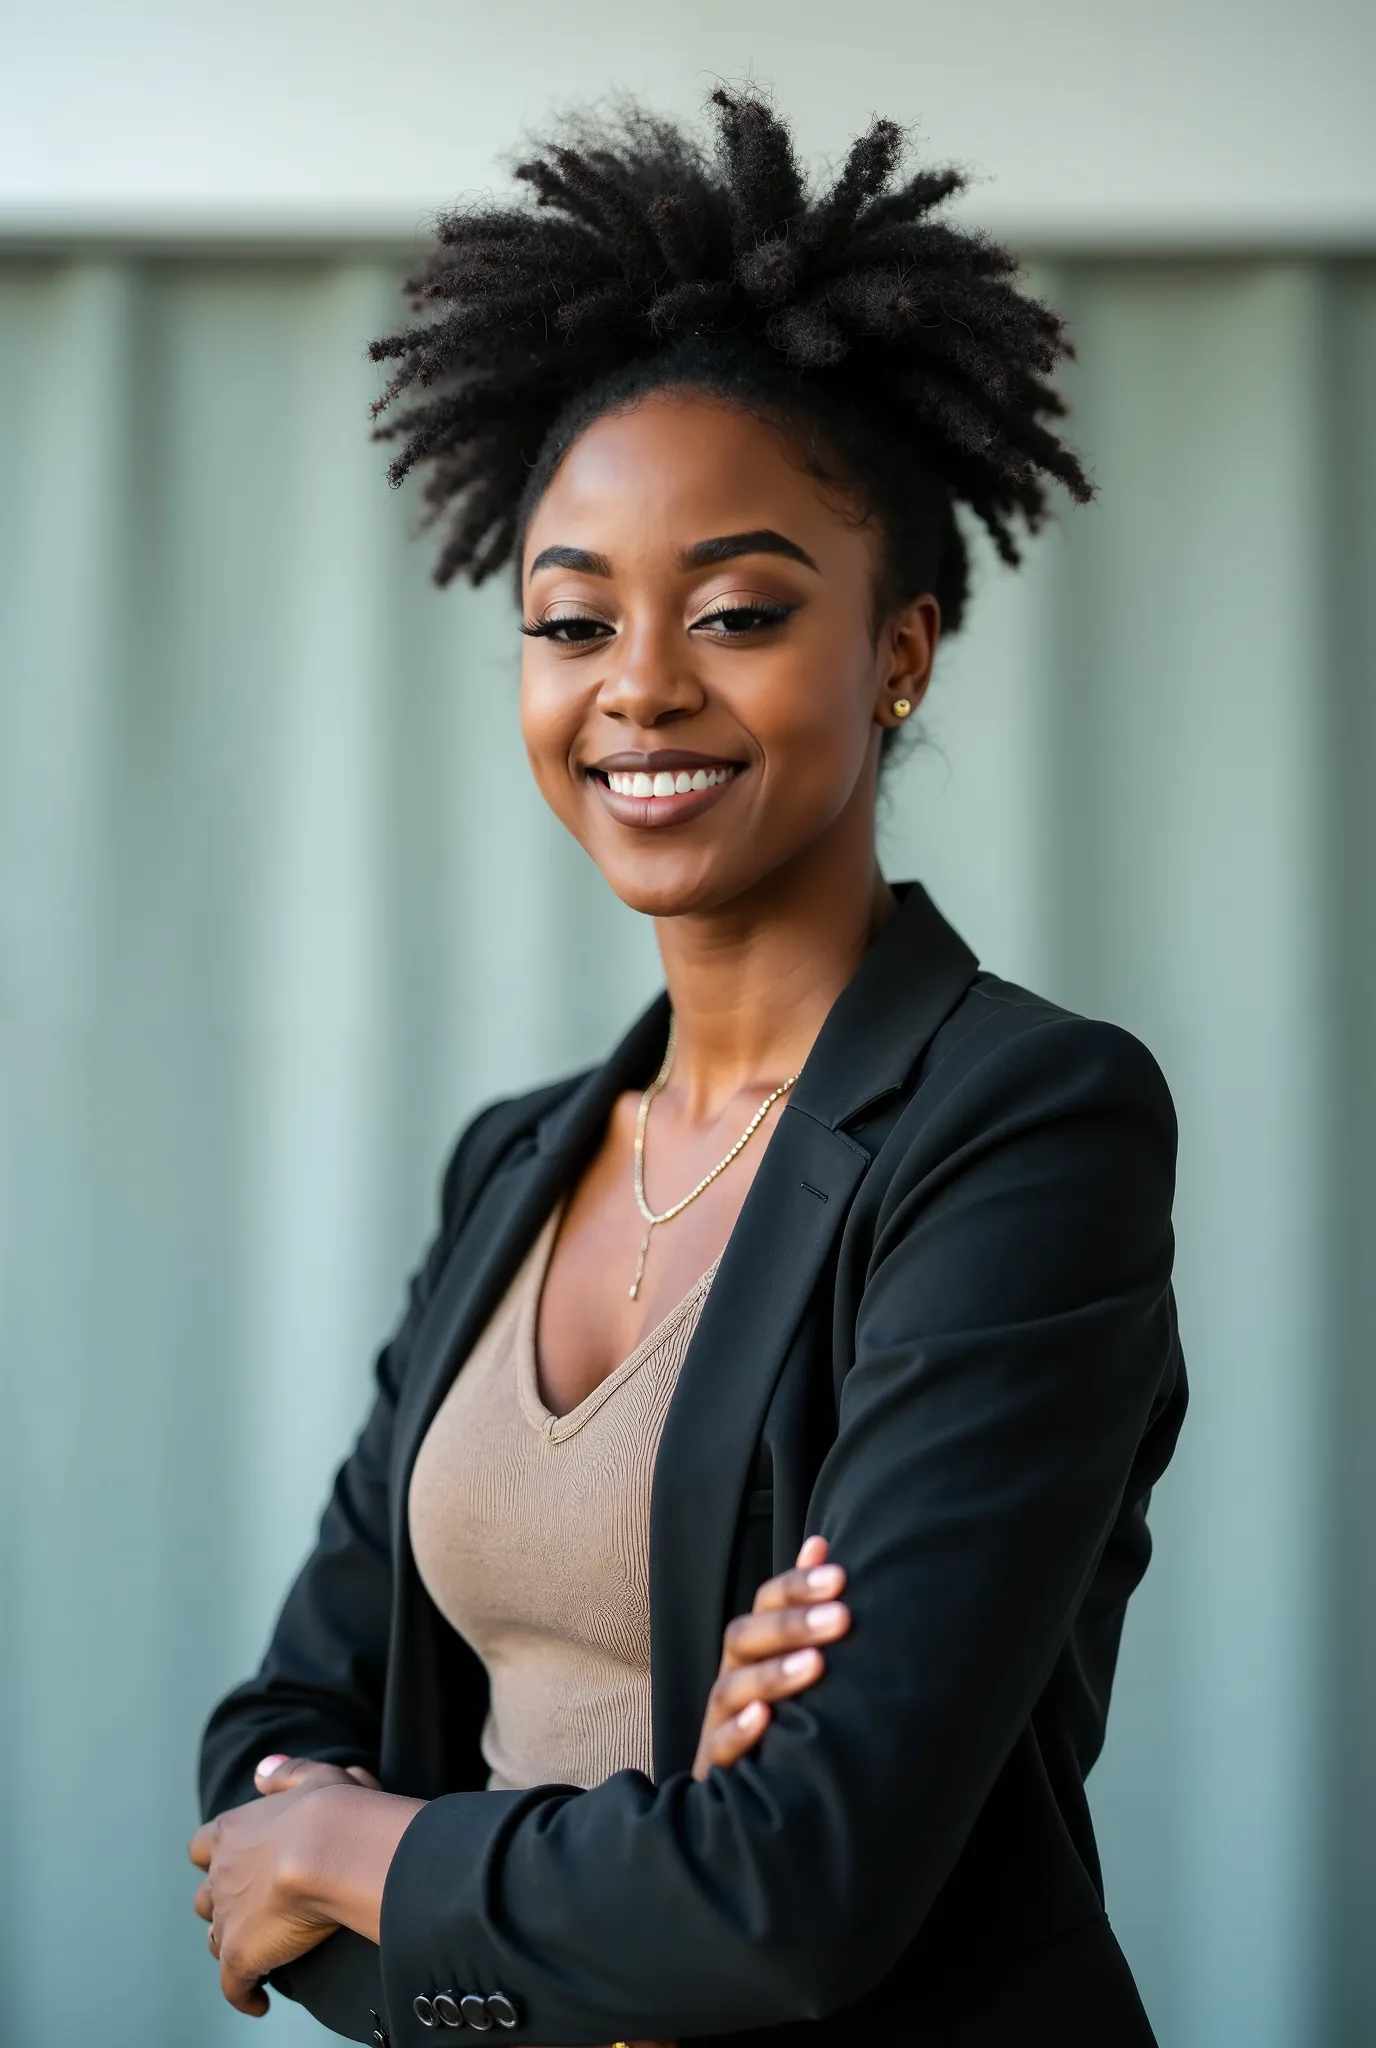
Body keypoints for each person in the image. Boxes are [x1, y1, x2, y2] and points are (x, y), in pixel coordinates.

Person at [193, 87, 1187, 2047]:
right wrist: (609, 1897)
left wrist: (382, 1851)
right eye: (573, 619)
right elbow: (266, 1762)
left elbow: (793, 1895)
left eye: (736, 610)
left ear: (897, 651)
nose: (639, 682)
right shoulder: (516, 1165)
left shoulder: (1023, 1126)